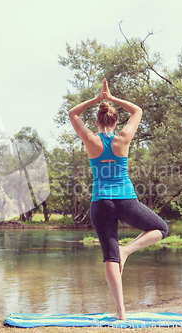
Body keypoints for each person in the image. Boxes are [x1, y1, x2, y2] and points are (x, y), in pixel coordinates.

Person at [68, 79, 168, 321]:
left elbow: (72, 113)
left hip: (100, 203)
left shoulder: (90, 140)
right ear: (115, 121)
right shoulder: (123, 138)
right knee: (162, 229)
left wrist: (96, 99)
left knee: (109, 256)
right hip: (126, 200)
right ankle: (128, 251)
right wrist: (111, 99)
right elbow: (138, 111)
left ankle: (121, 312)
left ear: (97, 121)